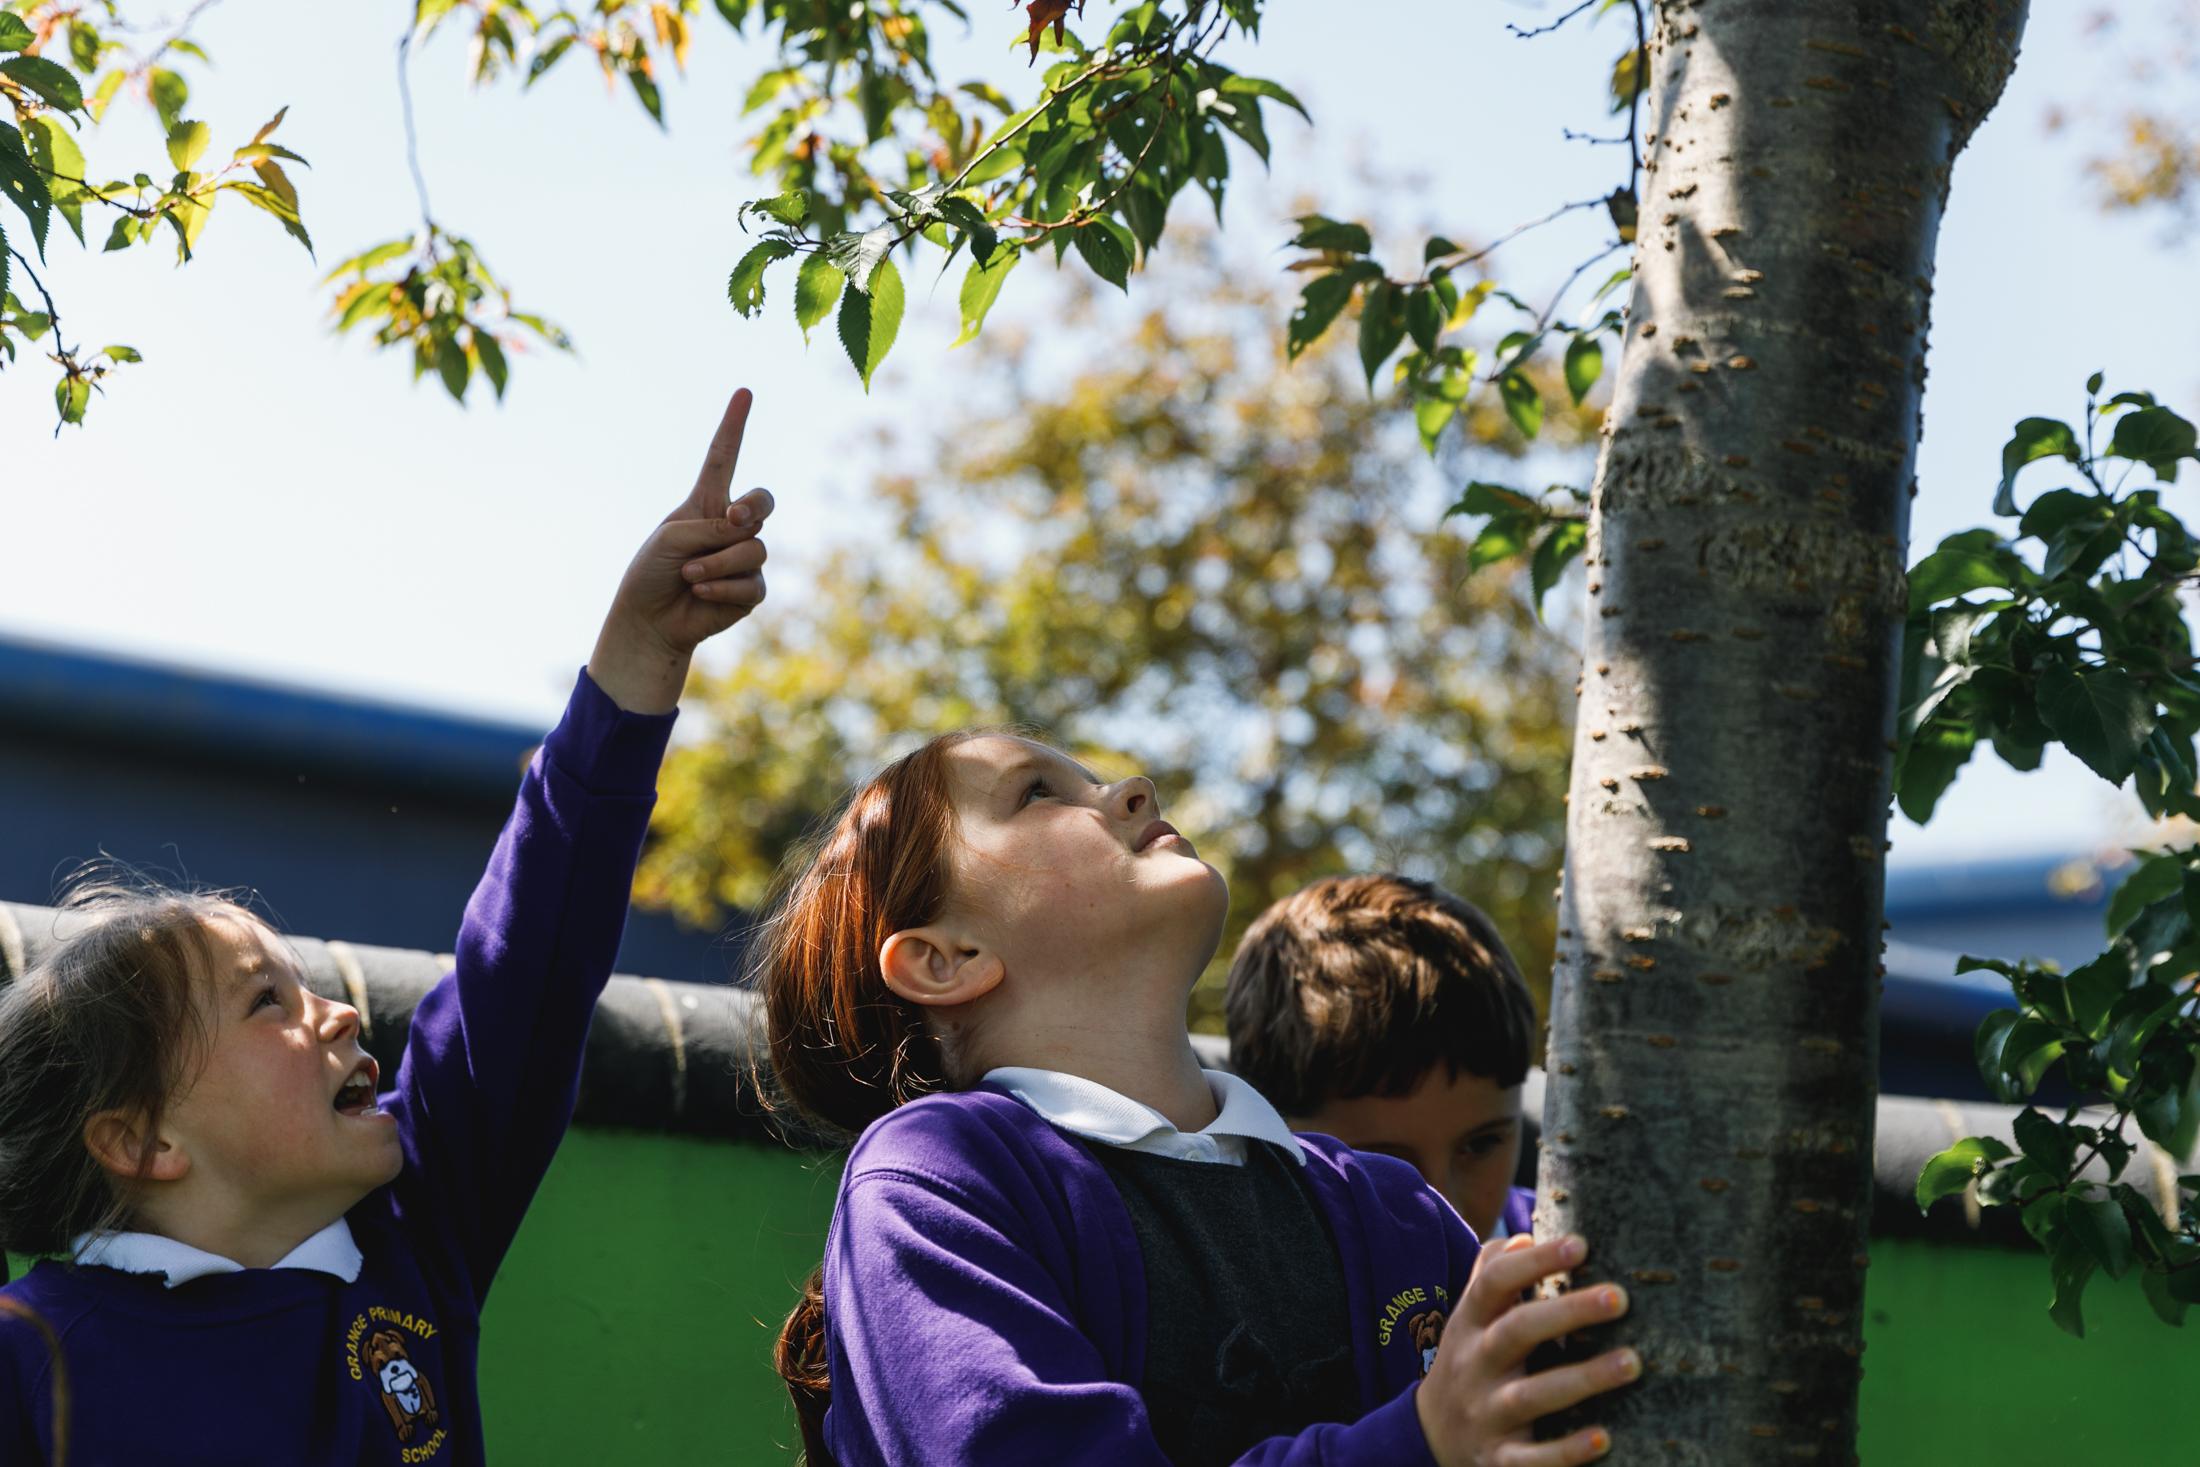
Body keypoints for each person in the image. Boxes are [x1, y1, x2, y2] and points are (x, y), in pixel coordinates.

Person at [0, 388, 776, 1467]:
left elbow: (527, 967)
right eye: (264, 1002)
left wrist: (641, 649)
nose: (339, 1013)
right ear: (141, 1142)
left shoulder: (414, 1227)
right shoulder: (30, 1355)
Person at [763, 734, 1638, 1467]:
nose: (1133, 788)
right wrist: (1419, 1439)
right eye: (1036, 792)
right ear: (943, 958)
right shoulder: (937, 1179)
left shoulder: (1393, 1207)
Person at [1224, 874, 1536, 1246]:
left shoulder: (1574, 1245)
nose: (1446, 1210)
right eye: (1384, 1167)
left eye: (1482, 1145)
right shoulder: (1237, 1272)